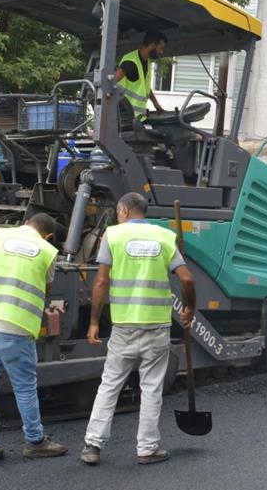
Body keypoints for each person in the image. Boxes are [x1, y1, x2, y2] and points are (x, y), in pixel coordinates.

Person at [81, 192, 195, 466]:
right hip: (156, 325)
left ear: (123, 211)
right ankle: (147, 448)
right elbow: (187, 278)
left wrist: (95, 321)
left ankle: (93, 446)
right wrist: (190, 307)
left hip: (124, 326)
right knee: (151, 388)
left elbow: (100, 282)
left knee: (110, 385)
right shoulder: (165, 237)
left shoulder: (113, 236)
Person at [0, 212, 68, 465]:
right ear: (49, 235)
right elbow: (46, 290)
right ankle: (35, 441)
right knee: (24, 387)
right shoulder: (47, 251)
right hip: (16, 326)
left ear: (25, 224)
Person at [114, 30, 168, 124]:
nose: (161, 52)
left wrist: (155, 103)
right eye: (161, 48)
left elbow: (145, 87)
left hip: (136, 119)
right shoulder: (131, 62)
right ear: (152, 45)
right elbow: (111, 83)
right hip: (124, 118)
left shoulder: (147, 62)